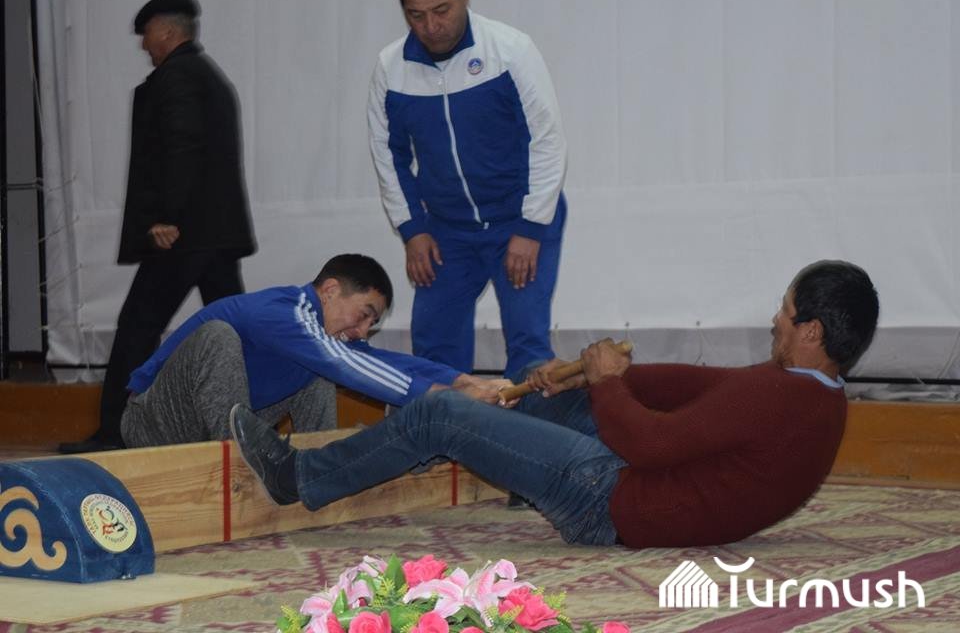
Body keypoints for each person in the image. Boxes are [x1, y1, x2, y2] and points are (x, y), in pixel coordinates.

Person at [232, 260, 879, 548]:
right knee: (536, 392)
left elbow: (649, 444)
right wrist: (591, 378)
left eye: (785, 311)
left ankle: (300, 478)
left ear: (812, 331)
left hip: (614, 503)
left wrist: (609, 384)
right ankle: (511, 470)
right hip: (637, 486)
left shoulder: (777, 394)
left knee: (441, 413)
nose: (774, 318)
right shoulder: (814, 395)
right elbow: (699, 389)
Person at [60, 0, 256, 453]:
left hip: (183, 236)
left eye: (147, 34)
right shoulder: (206, 75)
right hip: (213, 236)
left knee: (137, 327)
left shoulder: (180, 77)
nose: (144, 44)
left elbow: (181, 148)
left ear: (167, 31)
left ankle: (116, 433)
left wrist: (165, 216)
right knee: (237, 334)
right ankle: (252, 428)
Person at [368, 0, 568, 381]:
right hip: (446, 231)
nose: (430, 26)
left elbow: (547, 139)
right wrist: (412, 229)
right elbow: (387, 154)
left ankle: (530, 419)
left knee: (529, 351)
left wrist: (531, 228)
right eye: (416, 15)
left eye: (441, 10)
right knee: (434, 355)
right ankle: (448, 422)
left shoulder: (510, 50)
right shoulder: (391, 68)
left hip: (519, 219)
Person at [120, 254, 510, 448]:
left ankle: (317, 469)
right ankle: (239, 468)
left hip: (215, 426)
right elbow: (346, 364)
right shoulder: (282, 313)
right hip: (155, 423)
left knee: (326, 365)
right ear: (330, 291)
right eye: (364, 315)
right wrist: (445, 396)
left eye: (370, 325)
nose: (361, 331)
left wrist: (464, 381)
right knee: (219, 336)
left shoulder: (322, 335)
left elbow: (379, 360)